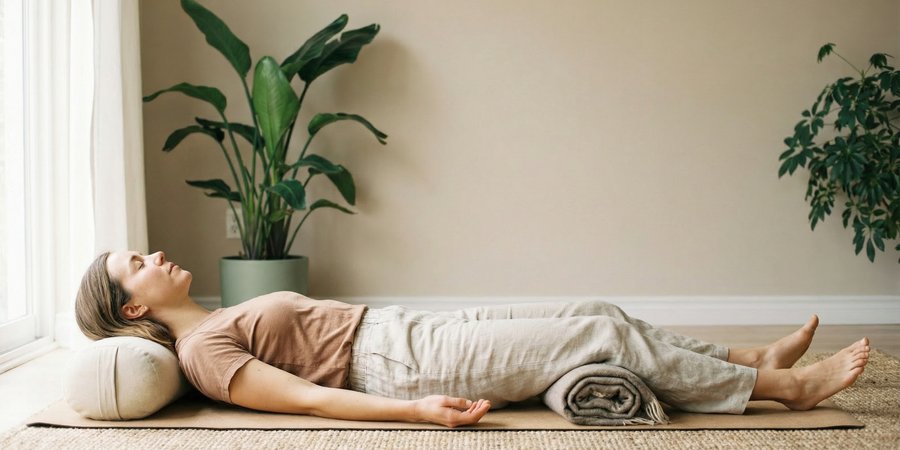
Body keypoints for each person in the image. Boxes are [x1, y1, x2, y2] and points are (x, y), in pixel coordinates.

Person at [75, 250, 870, 428]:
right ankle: (781, 390)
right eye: (134, 266)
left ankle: (742, 358)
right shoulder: (203, 353)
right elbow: (306, 400)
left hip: (402, 326)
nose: (152, 257)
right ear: (129, 309)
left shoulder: (214, 319)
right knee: (593, 332)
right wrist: (417, 413)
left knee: (595, 307)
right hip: (394, 362)